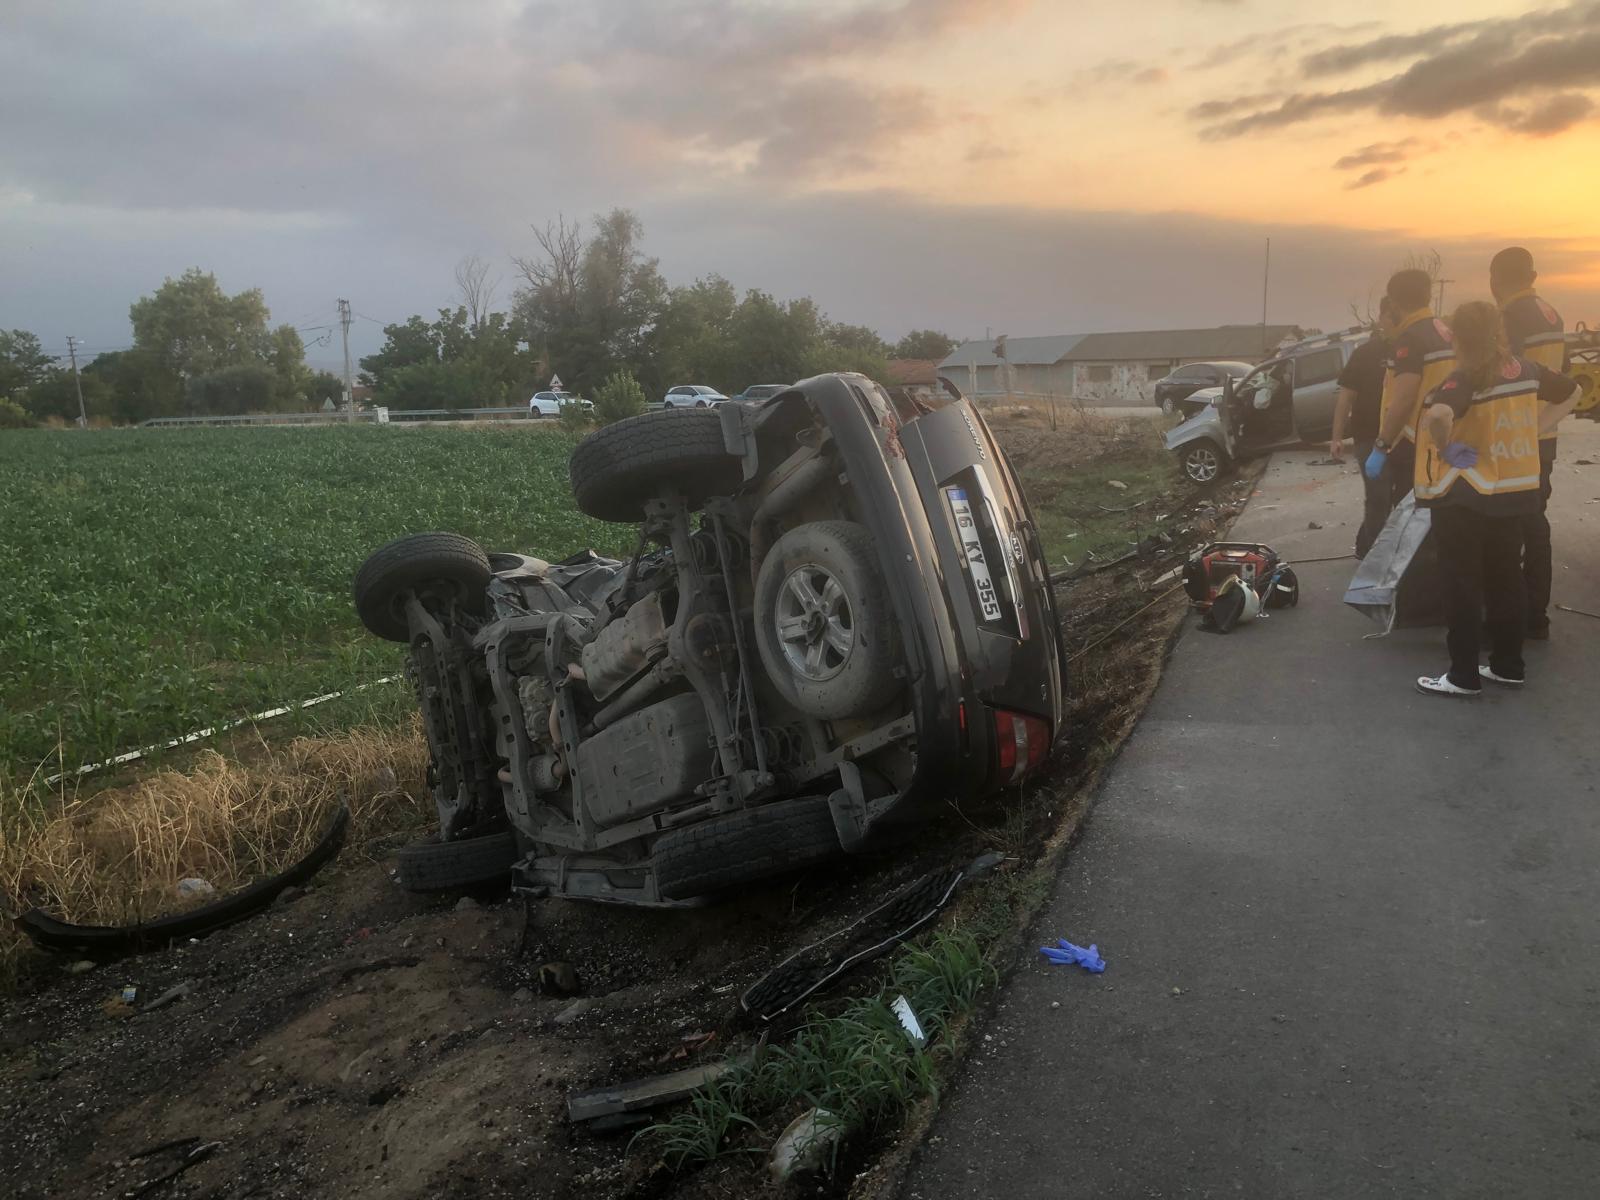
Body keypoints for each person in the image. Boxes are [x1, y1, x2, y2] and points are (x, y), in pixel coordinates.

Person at [1411, 301, 1579, 697]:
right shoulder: (1526, 370)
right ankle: (1508, 665)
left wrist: (1447, 448)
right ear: (1498, 330)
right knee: (1507, 580)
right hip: (1516, 492)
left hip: (1468, 496)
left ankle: (1463, 675)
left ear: (1456, 336)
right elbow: (1573, 390)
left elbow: (1438, 416)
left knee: (1462, 584)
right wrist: (1536, 429)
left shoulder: (1463, 377)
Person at [1490, 246, 1566, 639]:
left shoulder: (1511, 316)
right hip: (1543, 434)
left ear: (1496, 279)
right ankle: (1535, 614)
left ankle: (1515, 618)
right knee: (1535, 523)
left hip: (1515, 437)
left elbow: (1504, 372)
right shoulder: (1550, 312)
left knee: (1511, 529)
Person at [1364, 269, 1457, 506]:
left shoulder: (1411, 338)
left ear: (1394, 302)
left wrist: (1382, 444)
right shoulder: (1443, 330)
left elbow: (1404, 398)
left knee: (1411, 520)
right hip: (1443, 436)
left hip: (1415, 445)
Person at [1331, 296, 1397, 557]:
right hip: (1368, 438)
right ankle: (1371, 554)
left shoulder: (1411, 349)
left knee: (1397, 498)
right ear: (1381, 319)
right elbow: (1345, 397)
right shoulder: (1365, 354)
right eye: (1390, 315)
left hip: (1404, 437)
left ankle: (1367, 544)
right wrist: (1336, 437)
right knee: (1379, 498)